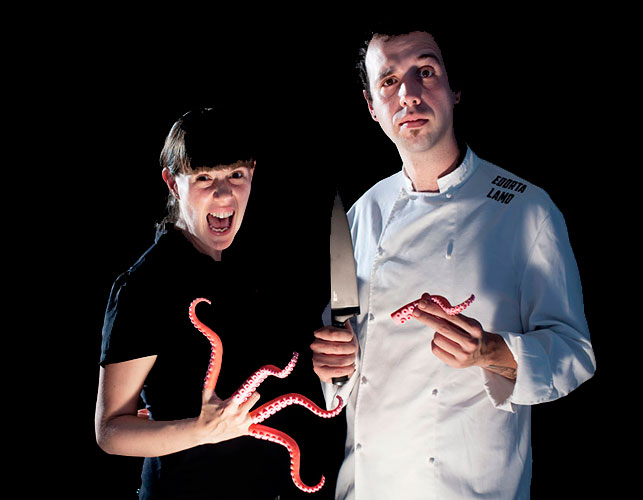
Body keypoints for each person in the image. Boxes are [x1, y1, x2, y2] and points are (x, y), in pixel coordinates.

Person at [310, 24, 596, 499]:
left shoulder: (524, 209)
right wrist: (334, 363)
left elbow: (574, 354)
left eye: (425, 71)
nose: (409, 94)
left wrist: (491, 352)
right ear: (372, 106)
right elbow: (343, 358)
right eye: (389, 81)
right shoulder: (362, 214)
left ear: (454, 88)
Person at [96, 107, 324, 499]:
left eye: (235, 175)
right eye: (203, 178)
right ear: (172, 183)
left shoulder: (248, 271)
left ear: (252, 173)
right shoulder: (145, 286)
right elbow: (110, 431)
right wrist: (201, 430)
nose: (223, 193)